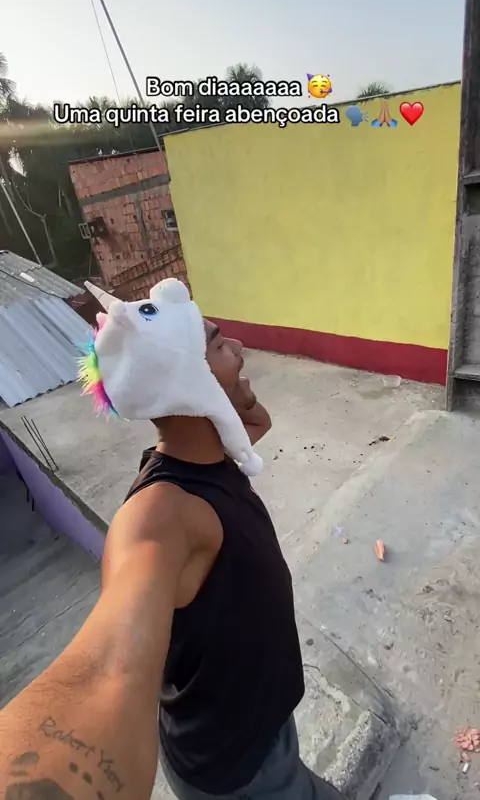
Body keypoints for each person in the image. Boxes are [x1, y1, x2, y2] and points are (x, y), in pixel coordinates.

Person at [0, 280, 345, 800]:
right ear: (188, 381)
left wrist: (219, 390)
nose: (240, 348)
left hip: (262, 731)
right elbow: (108, 670)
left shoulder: (207, 455)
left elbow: (257, 421)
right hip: (239, 771)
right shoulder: (159, 518)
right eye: (219, 343)